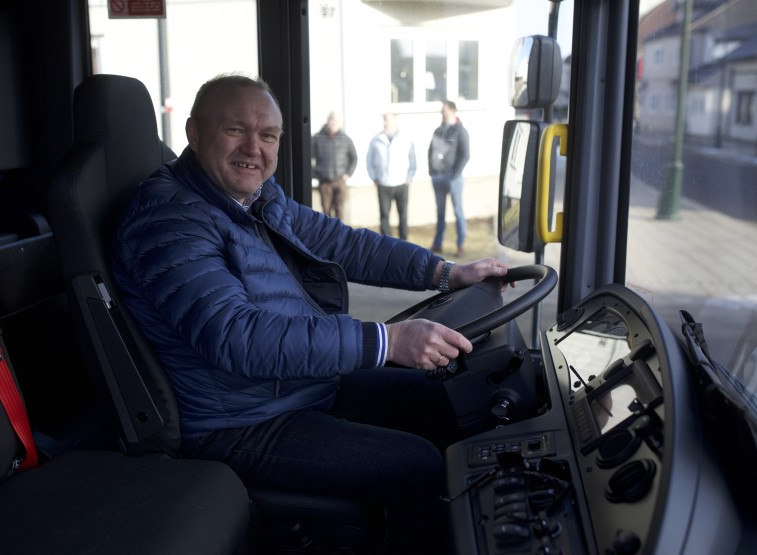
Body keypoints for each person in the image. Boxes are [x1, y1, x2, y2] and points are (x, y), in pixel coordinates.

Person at [111, 73, 512, 553]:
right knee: (417, 466)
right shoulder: (169, 219)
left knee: (452, 398)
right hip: (239, 422)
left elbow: (344, 243)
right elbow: (236, 338)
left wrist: (446, 273)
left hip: (297, 385)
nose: (253, 149)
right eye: (235, 130)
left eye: (268, 135)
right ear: (193, 133)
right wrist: (388, 341)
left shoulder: (255, 196)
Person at [428, 99, 470, 257]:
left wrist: (455, 174)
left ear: (452, 110)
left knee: (458, 211)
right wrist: (431, 171)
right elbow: (430, 151)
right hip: (437, 178)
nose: (442, 112)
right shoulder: (438, 130)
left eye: (444, 109)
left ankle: (460, 244)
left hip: (454, 179)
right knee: (440, 212)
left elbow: (465, 154)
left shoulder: (460, 131)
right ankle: (438, 243)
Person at [366, 112, 416, 240]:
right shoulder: (376, 140)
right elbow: (369, 161)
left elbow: (413, 160)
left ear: (395, 121)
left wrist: (409, 177)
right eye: (384, 119)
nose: (385, 122)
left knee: (403, 215)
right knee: (384, 215)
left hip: (401, 184)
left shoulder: (406, 139)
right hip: (383, 184)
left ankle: (404, 243)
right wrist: (374, 177)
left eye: (387, 119)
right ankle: (386, 243)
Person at [311, 110, 357, 220]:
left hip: (340, 181)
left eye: (337, 120)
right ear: (328, 120)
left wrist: (348, 173)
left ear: (340, 122)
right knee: (326, 212)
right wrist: (315, 174)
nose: (334, 122)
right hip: (324, 182)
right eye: (332, 119)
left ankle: (340, 236)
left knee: (340, 210)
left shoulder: (346, 140)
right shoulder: (317, 138)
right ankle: (328, 236)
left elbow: (354, 158)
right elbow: (308, 157)